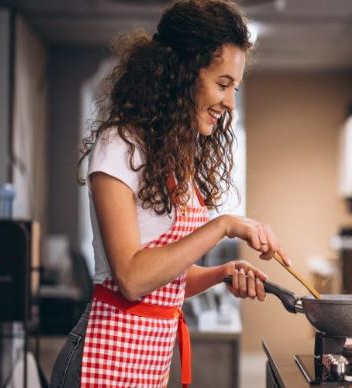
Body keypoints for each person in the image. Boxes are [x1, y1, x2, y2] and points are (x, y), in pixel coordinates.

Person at [49, 1, 289, 386]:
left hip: (146, 363)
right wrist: (224, 225)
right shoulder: (121, 146)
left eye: (235, 88)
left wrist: (221, 273)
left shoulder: (173, 155)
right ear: (181, 74)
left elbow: (166, 278)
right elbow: (131, 277)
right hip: (102, 356)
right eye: (223, 84)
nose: (229, 103)